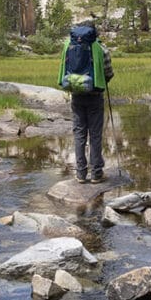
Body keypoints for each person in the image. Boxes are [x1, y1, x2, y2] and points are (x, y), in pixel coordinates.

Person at [58, 18, 114, 183]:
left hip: (76, 94)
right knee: (95, 134)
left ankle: (81, 173)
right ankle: (97, 173)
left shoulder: (69, 45)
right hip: (95, 96)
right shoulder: (100, 48)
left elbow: (64, 68)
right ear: (94, 32)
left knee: (79, 134)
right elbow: (109, 72)